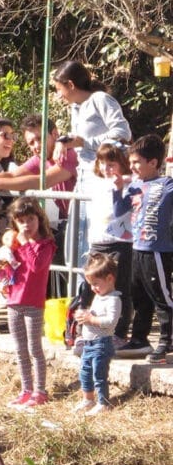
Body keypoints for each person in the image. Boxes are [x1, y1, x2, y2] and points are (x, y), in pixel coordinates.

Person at [0, 198, 55, 407]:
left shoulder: (46, 245)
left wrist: (27, 242)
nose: (27, 225)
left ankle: (40, 391)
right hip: (14, 301)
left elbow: (37, 265)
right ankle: (26, 389)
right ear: (15, 223)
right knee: (20, 349)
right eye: (21, 221)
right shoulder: (14, 246)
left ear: (39, 219)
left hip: (33, 303)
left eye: (31, 219)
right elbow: (5, 271)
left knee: (34, 348)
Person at [76, 144, 136, 349]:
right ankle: (83, 330)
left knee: (120, 288)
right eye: (102, 164)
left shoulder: (130, 185)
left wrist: (120, 185)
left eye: (111, 164)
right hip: (97, 241)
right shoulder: (97, 182)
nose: (106, 168)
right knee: (88, 286)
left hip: (120, 242)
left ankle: (119, 333)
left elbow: (121, 209)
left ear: (122, 165)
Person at [125, 135, 173, 364]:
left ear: (153, 162)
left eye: (136, 162)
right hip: (137, 247)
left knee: (161, 297)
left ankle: (166, 341)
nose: (132, 166)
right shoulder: (134, 185)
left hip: (157, 250)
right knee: (139, 296)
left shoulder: (167, 185)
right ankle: (139, 338)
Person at [52, 61, 132, 182]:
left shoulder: (100, 99)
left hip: (104, 175)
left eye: (59, 89)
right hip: (83, 175)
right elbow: (78, 140)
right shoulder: (75, 107)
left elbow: (123, 133)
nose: (58, 95)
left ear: (70, 85)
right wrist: (63, 142)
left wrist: (84, 143)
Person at [74, 253, 121, 415]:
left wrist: (91, 319)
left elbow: (110, 321)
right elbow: (93, 314)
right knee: (85, 372)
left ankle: (104, 402)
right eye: (90, 284)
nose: (93, 288)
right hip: (88, 344)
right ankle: (88, 399)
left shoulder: (114, 299)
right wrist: (83, 315)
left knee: (98, 374)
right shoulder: (99, 296)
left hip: (102, 344)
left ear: (109, 279)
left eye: (96, 284)